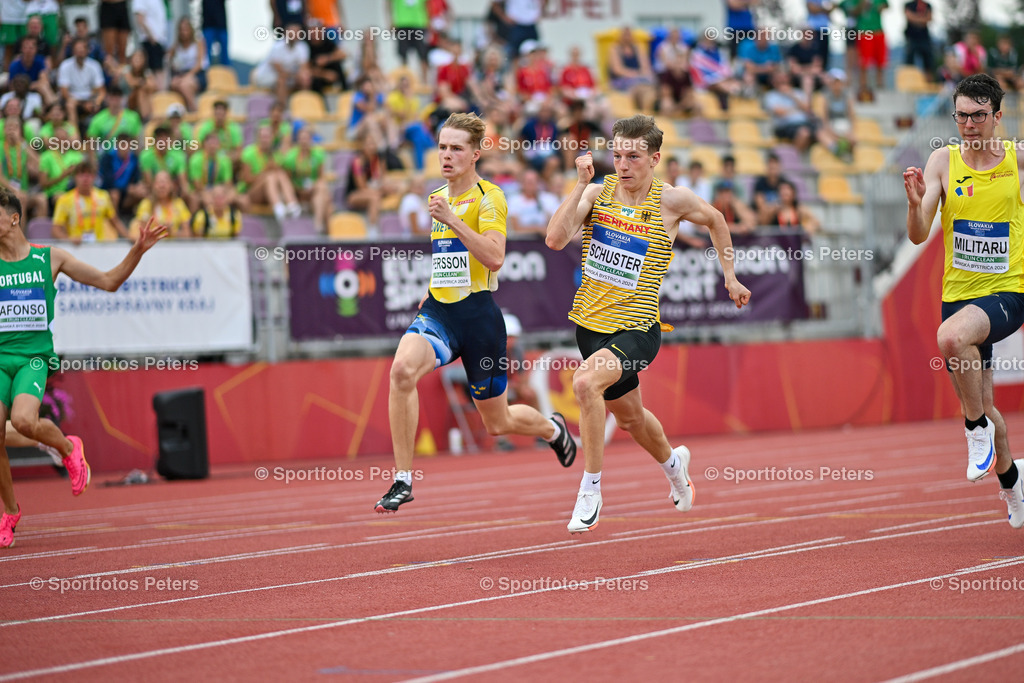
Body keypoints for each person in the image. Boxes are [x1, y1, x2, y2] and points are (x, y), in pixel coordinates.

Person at [545, 115, 750, 533]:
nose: (623, 165)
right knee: (631, 420)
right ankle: (676, 468)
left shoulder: (672, 201)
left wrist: (730, 276)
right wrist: (579, 185)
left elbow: (716, 220)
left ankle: (590, 490)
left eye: (633, 157)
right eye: (617, 155)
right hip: (590, 327)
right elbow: (554, 239)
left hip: (637, 329)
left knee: (584, 383)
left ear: (654, 159)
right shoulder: (597, 192)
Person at [373, 112, 577, 513]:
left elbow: (494, 257)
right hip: (440, 314)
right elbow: (448, 258)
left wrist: (452, 220)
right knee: (401, 372)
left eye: (456, 148)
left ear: (476, 154)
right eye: (442, 148)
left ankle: (553, 429)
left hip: (480, 320)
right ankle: (403, 479)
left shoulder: (490, 197)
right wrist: (430, 289)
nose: (446, 156)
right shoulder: (438, 196)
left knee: (497, 423)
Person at [0, 187, 169, 548]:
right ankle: (10, 513)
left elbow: (109, 282)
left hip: (32, 358)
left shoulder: (50, 258)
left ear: (14, 218)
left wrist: (137, 250)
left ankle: (67, 447)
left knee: (25, 421)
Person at [903, 74, 1024, 529]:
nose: (969, 124)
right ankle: (1012, 484)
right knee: (986, 404)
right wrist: (915, 204)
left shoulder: (1017, 159)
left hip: (1008, 291)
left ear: (997, 116)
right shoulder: (942, 161)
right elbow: (918, 235)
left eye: (978, 115)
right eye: (961, 116)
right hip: (958, 295)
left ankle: (974, 432)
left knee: (951, 338)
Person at [52, 160, 131, 242]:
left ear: (94, 177)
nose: (85, 179)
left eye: (89, 175)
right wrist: (69, 240)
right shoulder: (64, 200)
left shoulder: (103, 196)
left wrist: (129, 237)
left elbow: (115, 222)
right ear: (75, 177)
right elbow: (55, 230)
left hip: (98, 246)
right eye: (81, 175)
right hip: (76, 246)